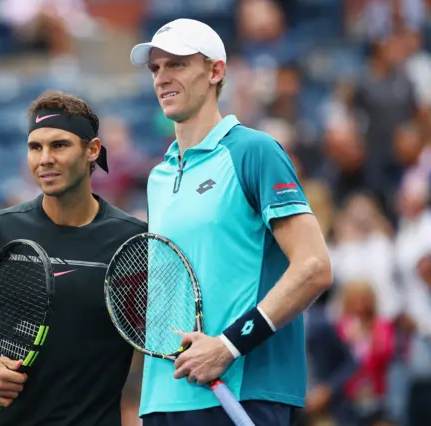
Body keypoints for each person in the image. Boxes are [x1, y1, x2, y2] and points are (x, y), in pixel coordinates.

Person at [129, 18, 333, 426]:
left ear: (215, 71)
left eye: (178, 65)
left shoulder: (255, 151)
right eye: (156, 68)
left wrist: (227, 346)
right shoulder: (158, 177)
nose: (163, 78)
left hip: (243, 391)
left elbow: (314, 268)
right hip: (162, 400)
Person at [0, 90, 148, 426]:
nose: (44, 158)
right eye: (35, 147)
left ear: (92, 150)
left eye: (59, 145)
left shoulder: (134, 240)